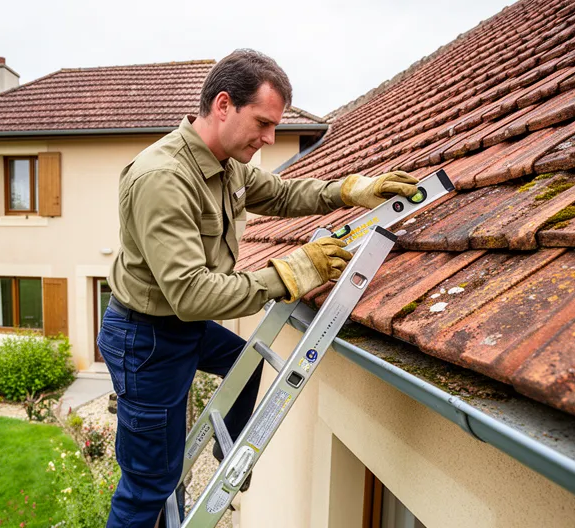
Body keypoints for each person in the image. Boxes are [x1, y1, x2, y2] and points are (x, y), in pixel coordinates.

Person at [98, 49, 418, 527]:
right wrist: (288, 275)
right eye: (263, 123)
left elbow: (283, 193)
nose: (269, 138)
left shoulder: (224, 164)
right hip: (147, 342)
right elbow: (191, 294)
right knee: (148, 485)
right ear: (223, 104)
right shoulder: (164, 179)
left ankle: (228, 463)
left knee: (242, 368)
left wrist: (351, 190)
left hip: (180, 328)